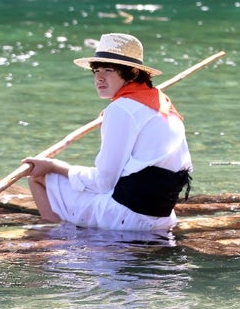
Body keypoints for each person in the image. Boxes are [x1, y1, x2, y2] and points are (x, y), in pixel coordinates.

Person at [23, 33, 193, 233]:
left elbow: (103, 182)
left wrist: (54, 165)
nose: (99, 78)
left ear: (132, 73)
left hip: (126, 218)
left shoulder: (122, 109)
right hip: (162, 218)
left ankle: (53, 237)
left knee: (39, 176)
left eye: (108, 70)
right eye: (96, 71)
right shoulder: (161, 103)